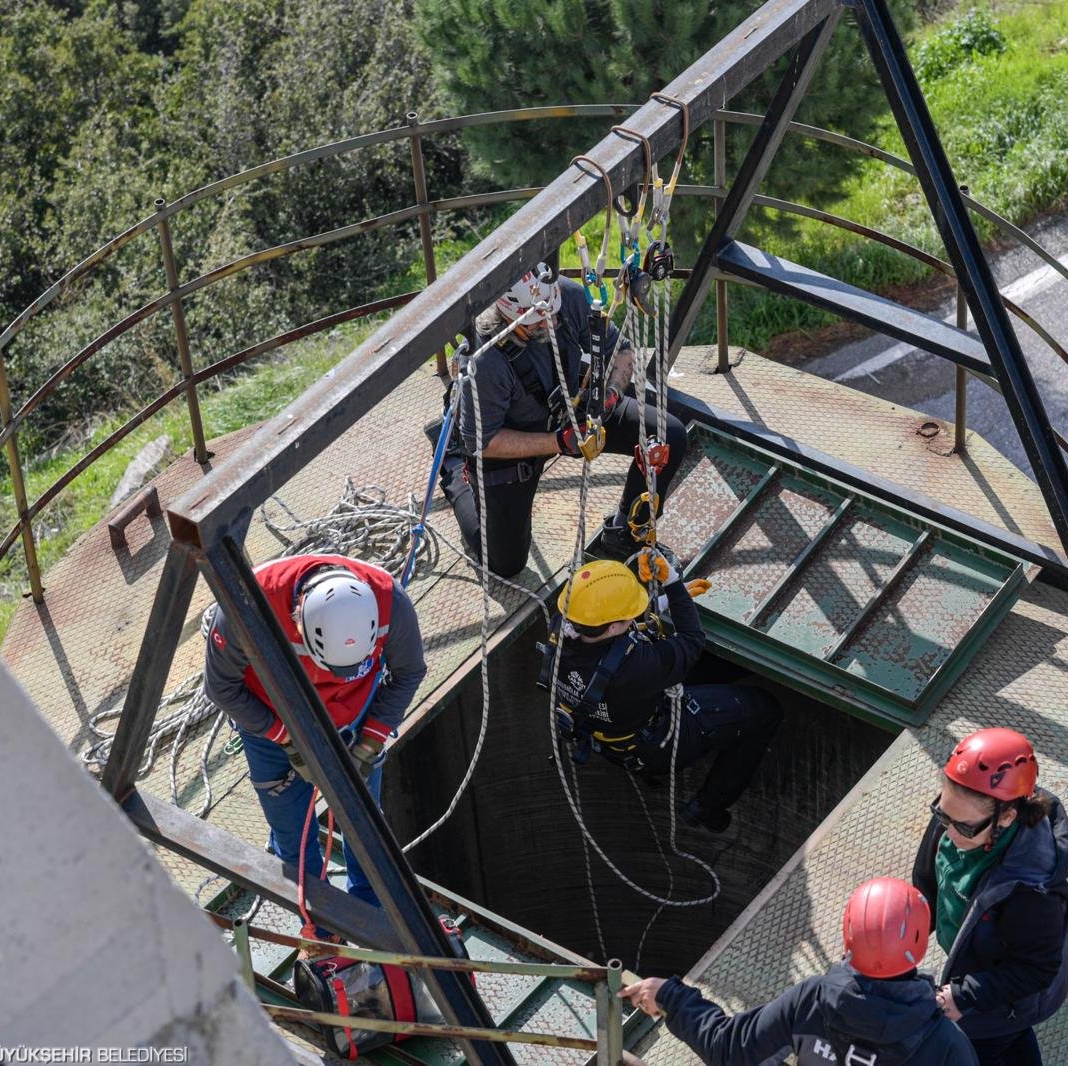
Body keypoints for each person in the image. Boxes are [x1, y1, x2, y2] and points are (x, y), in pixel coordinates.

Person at [203, 553, 426, 930]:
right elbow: (221, 687)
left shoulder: (390, 602)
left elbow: (408, 672)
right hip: (273, 721)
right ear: (297, 622)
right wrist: (286, 739)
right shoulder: (247, 605)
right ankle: (317, 926)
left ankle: (372, 914)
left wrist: (369, 743)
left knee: (364, 822)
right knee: (292, 831)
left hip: (354, 722)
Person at [441, 262, 689, 577]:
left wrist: (609, 397)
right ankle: (451, 465)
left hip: (572, 410)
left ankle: (624, 533)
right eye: (536, 322)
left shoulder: (565, 297)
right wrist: (558, 441)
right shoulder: (485, 361)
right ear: (509, 317)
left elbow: (622, 352)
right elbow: (484, 442)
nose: (550, 322)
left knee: (669, 435)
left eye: (552, 314)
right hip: (511, 436)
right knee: (504, 564)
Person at [619, 877, 981, 1065]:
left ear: (848, 936)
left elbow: (731, 1052)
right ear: (918, 946)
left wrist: (671, 997)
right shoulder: (945, 1045)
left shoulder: (812, 1000)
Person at [548, 553, 782, 832]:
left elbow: (616, 630)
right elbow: (692, 641)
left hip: (613, 730)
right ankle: (707, 806)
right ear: (612, 627)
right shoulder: (635, 667)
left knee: (716, 668)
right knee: (765, 710)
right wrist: (674, 586)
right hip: (659, 742)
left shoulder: (563, 627)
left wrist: (661, 603)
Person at [912, 728, 1068, 1066]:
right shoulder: (960, 817)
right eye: (942, 815)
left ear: (1007, 816)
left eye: (965, 827)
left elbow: (1037, 969)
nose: (949, 832)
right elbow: (928, 884)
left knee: (984, 1047)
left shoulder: (1030, 890)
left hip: (1000, 1000)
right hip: (980, 973)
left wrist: (964, 994)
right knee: (1013, 1044)